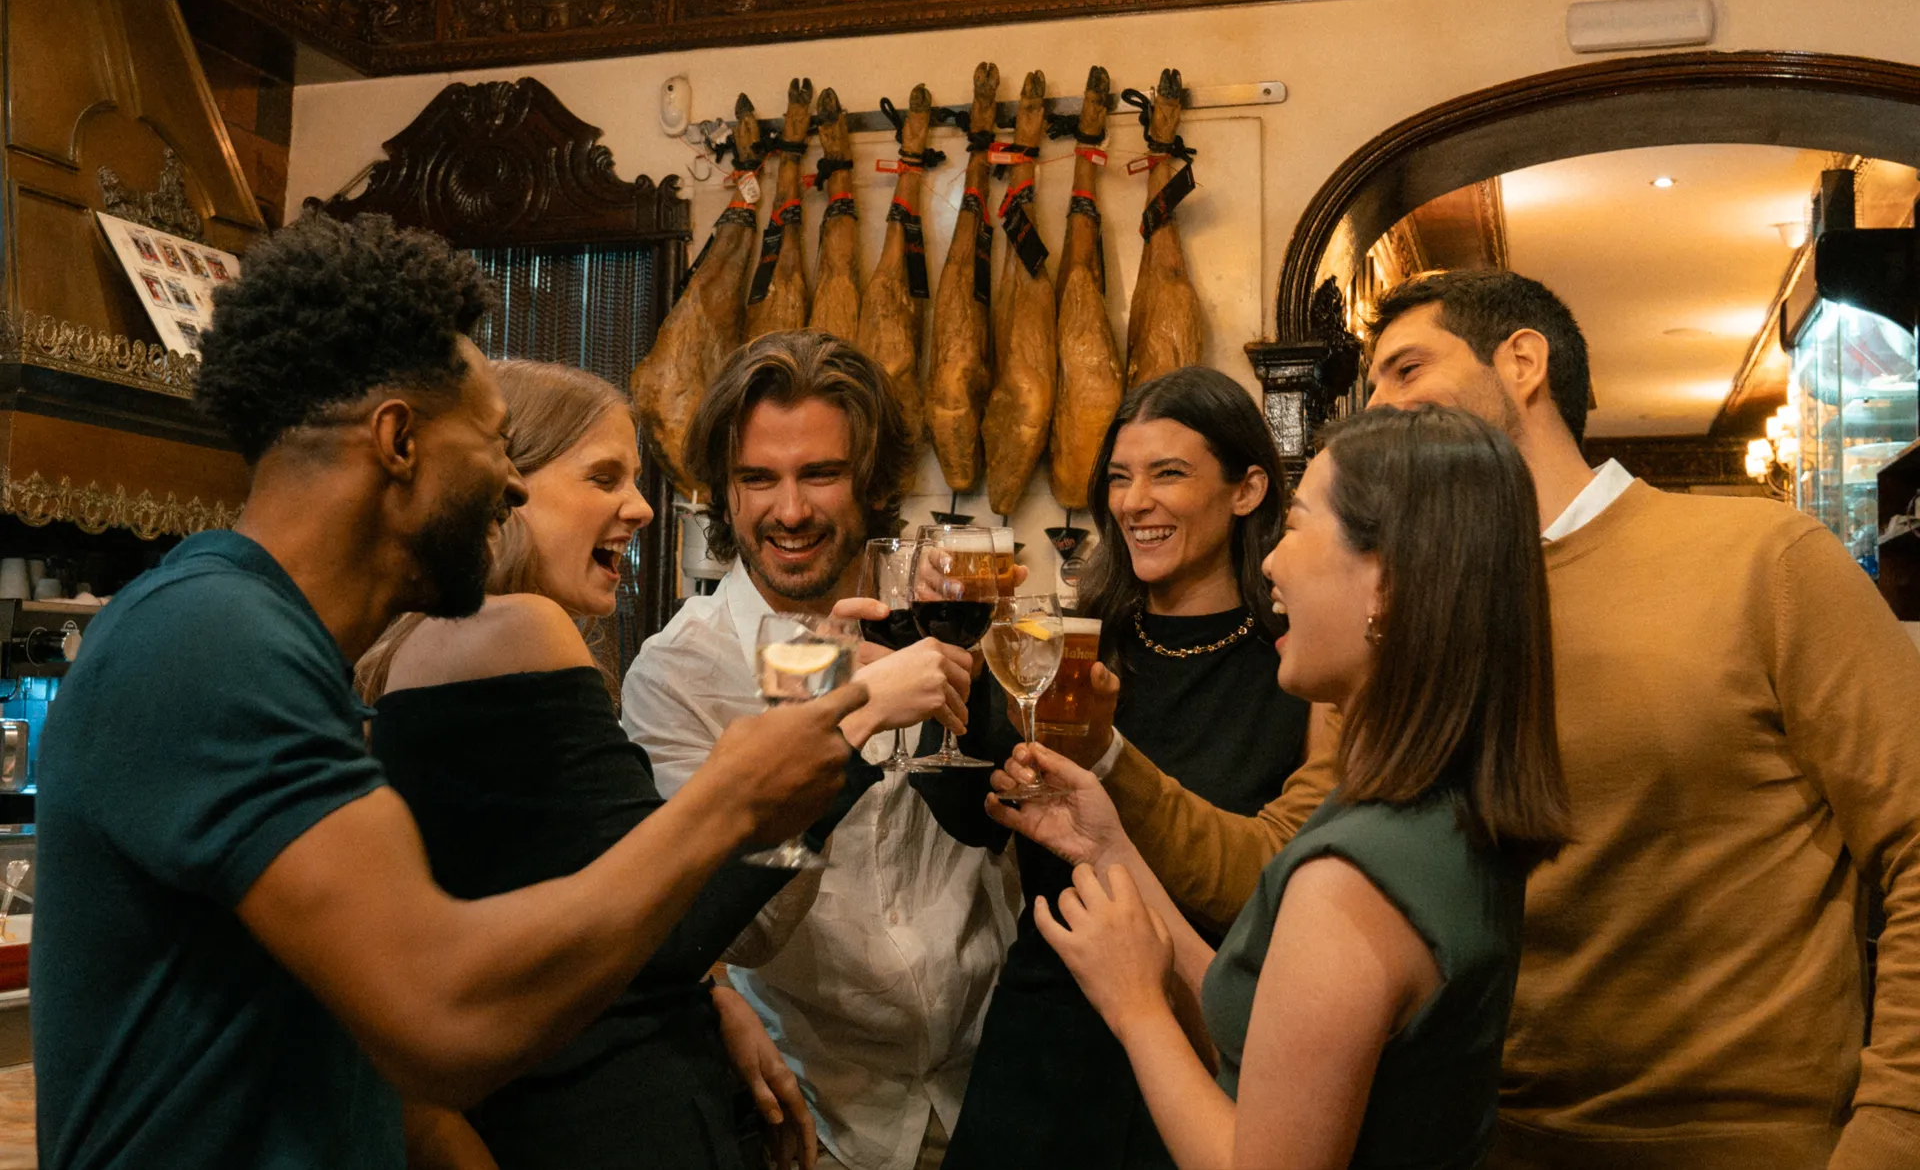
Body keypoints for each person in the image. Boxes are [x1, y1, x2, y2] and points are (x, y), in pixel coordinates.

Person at [31, 213, 863, 1170]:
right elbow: (447, 1017)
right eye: (498, 443)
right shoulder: (210, 639)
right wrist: (730, 799)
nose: (513, 487)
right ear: (399, 440)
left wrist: (709, 984)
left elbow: (379, 1066)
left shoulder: (288, 652)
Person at [1050, 268, 1920, 1170]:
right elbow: (1297, 871)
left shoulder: (1765, 562)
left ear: (1523, 362)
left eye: (1406, 369)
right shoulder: (1401, 647)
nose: (1378, 407)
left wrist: (1895, 1127)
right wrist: (1107, 779)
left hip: (1734, 1141)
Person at [359, 359, 969, 1170]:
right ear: (507, 485)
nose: (643, 506)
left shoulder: (463, 640)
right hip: (626, 1115)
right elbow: (684, 925)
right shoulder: (548, 634)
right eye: (603, 476)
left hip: (948, 1087)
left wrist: (711, 991)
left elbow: (576, 900)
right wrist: (847, 720)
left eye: (820, 473)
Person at [998, 404, 1571, 1169]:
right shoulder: (1432, 808)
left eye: (1298, 525)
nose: (1271, 561)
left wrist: (1136, 1007)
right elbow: (1272, 1037)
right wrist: (1109, 850)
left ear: (1384, 582)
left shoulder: (1359, 878)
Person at [623, 331, 1017, 1170]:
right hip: (821, 1122)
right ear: (723, 493)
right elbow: (737, 931)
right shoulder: (679, 670)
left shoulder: (933, 613)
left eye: (821, 473)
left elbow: (1011, 839)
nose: (791, 509)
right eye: (758, 478)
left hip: (991, 1093)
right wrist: (843, 720)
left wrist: (987, 696)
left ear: (872, 482)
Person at [941, 366, 1311, 1169]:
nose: (1134, 501)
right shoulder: (1067, 643)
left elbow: (1271, 886)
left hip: (1200, 1044)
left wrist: (1106, 759)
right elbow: (972, 816)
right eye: (1119, 476)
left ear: (1247, 489)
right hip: (1043, 1049)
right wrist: (940, 671)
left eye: (1167, 473)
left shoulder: (1293, 669)